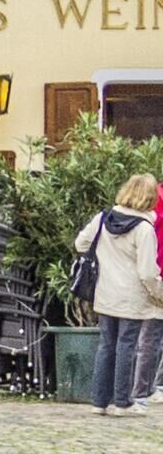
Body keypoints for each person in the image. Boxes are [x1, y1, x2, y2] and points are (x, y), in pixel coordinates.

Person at [84, 173, 163, 411]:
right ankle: (122, 401)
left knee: (106, 345)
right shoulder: (143, 229)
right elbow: (148, 272)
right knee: (126, 346)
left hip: (105, 292)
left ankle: (99, 401)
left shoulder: (103, 217)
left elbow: (81, 244)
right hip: (132, 296)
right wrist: (159, 295)